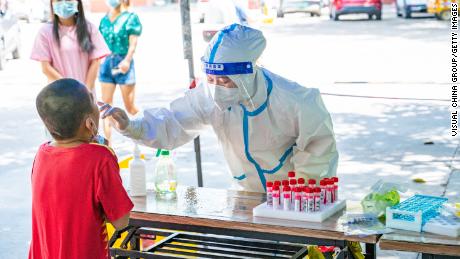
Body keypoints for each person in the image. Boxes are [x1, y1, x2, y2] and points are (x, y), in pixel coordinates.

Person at [101, 24, 338, 192]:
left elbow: (319, 150)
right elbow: (172, 123)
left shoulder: (295, 100)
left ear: (247, 72)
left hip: (292, 198)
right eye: (212, 79)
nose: (217, 87)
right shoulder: (207, 97)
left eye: (225, 80)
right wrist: (130, 126)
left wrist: (301, 195)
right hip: (245, 195)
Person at [29, 79, 133, 259]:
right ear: (89, 123)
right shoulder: (101, 158)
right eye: (93, 100)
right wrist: (107, 155)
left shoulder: (42, 154)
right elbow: (121, 221)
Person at [30, 0, 110, 96]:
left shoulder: (90, 29)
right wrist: (70, 89)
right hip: (59, 95)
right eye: (59, 0)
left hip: (85, 96)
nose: (64, 3)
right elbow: (46, 68)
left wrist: (85, 91)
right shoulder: (45, 32)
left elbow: (95, 62)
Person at [98, 0, 142, 144]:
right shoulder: (104, 19)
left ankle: (144, 133)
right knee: (105, 107)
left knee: (130, 107)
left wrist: (127, 60)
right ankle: (108, 145)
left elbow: (133, 43)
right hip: (106, 64)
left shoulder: (130, 17)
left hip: (123, 63)